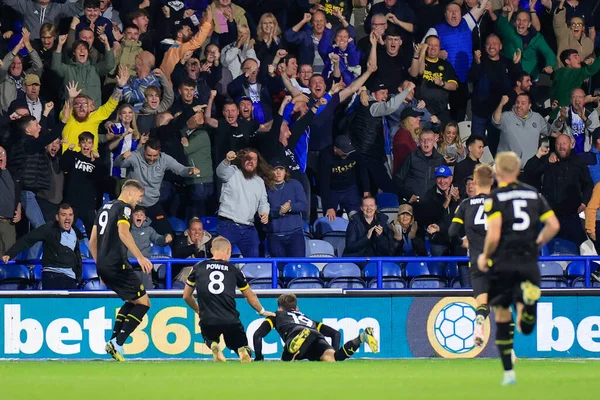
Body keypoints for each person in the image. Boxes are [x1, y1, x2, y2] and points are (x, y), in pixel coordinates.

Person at [477, 152, 560, 385]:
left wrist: (485, 255)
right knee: (525, 327)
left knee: (502, 314)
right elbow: (554, 225)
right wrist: (538, 242)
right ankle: (530, 305)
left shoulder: (495, 198)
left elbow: (493, 235)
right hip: (528, 262)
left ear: (498, 172)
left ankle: (508, 373)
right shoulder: (534, 194)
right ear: (517, 170)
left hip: (503, 262)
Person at [89, 179, 153, 362]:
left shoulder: (103, 208)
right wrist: (140, 257)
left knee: (132, 300)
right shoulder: (125, 208)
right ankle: (118, 342)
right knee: (144, 303)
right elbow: (123, 232)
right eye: (139, 196)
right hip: (118, 263)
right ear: (131, 193)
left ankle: (113, 342)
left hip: (104, 265)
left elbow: (92, 241)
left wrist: (99, 265)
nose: (138, 201)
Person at [182, 236, 273, 363]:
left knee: (210, 337)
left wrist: (198, 309)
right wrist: (262, 311)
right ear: (229, 251)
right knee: (240, 344)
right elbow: (249, 295)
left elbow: (186, 296)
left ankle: (214, 345)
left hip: (208, 319)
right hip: (230, 319)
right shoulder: (234, 270)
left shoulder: (198, 267)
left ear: (212, 250)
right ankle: (242, 351)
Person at [252, 293, 378, 362]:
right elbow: (335, 334)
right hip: (315, 334)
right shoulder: (307, 319)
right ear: (296, 308)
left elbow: (257, 335)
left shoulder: (276, 315)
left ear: (280, 308)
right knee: (330, 358)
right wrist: (332, 352)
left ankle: (296, 343)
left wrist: (258, 358)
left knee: (286, 359)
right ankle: (361, 337)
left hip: (295, 332)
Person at [449, 164, 495, 346]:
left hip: (475, 261)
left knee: (482, 301)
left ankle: (479, 324)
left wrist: (463, 241)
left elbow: (452, 232)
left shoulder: (465, 204)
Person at [523, 133, 593, 246]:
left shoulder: (579, 162)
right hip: (551, 216)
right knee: (551, 250)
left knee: (577, 248)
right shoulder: (548, 160)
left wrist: (584, 203)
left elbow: (588, 184)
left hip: (572, 216)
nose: (561, 146)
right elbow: (529, 172)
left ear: (571, 145)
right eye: (558, 144)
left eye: (564, 143)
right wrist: (539, 155)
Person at [2, 203, 82, 290]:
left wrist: (78, 277)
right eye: (63, 215)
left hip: (71, 279)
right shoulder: (48, 228)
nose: (67, 218)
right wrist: (10, 253)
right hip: (53, 276)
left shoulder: (75, 232)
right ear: (57, 217)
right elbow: (28, 239)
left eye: (70, 215)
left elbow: (77, 257)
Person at [215, 149, 270, 258]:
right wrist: (226, 160)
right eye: (248, 158)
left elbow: (263, 202)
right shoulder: (233, 172)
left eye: (254, 159)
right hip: (228, 225)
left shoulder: (259, 181)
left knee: (254, 262)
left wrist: (264, 212)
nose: (251, 161)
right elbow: (220, 172)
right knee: (220, 260)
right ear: (242, 160)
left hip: (248, 228)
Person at [266, 158, 308, 257]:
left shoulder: (295, 184)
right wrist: (278, 211)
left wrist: (290, 207)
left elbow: (303, 205)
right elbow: (262, 211)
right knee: (279, 269)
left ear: (285, 171)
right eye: (275, 169)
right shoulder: (265, 187)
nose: (278, 172)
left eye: (281, 169)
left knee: (297, 266)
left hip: (295, 234)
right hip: (274, 235)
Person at [129, 206, 173, 289]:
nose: (139, 216)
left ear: (145, 218)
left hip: (145, 268)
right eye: (136, 214)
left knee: (147, 294)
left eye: (141, 215)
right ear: (131, 216)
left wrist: (165, 239)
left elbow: (158, 239)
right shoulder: (127, 230)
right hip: (130, 267)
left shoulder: (149, 230)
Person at [0, 145, 21, 255]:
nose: (0, 156)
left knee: (9, 259)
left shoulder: (12, 174)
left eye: (2, 154)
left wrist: (18, 209)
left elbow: (16, 194)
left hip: (9, 223)